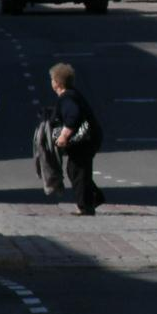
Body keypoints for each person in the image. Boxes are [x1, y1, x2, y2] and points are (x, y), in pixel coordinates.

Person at [49, 62, 105, 215]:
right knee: (77, 170)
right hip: (89, 138)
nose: (51, 82)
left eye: (52, 79)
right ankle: (94, 197)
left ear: (57, 83)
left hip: (85, 140)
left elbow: (72, 116)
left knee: (78, 171)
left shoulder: (67, 98)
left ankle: (85, 206)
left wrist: (63, 136)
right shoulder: (71, 94)